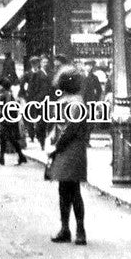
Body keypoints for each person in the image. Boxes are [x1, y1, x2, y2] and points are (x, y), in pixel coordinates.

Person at [47, 67, 91, 245]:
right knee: (68, 190)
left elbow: (70, 128)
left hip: (68, 148)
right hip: (72, 149)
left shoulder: (74, 102)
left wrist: (56, 145)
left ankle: (74, 230)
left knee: (70, 190)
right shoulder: (73, 99)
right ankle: (71, 229)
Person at [20, 57, 51, 150]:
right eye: (33, 63)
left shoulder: (42, 75)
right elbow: (22, 85)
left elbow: (44, 89)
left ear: (38, 64)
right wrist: (24, 96)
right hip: (29, 99)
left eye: (36, 63)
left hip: (39, 101)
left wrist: (39, 99)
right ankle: (31, 135)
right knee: (28, 118)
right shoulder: (27, 74)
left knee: (40, 121)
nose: (35, 65)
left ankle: (41, 141)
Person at [0, 83, 27, 166]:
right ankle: (3, 158)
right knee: (5, 139)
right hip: (11, 120)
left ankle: (18, 156)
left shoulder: (4, 96)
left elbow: (4, 109)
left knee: (8, 139)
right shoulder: (10, 95)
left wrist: (0, 117)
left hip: (6, 121)